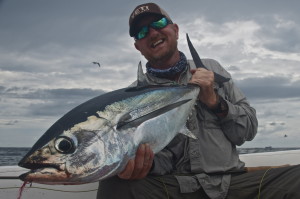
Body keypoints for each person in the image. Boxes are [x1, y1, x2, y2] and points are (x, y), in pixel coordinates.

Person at [97, 3, 300, 199]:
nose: (151, 33)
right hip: (175, 187)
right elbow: (163, 160)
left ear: (175, 30)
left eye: (158, 24)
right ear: (137, 46)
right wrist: (144, 165)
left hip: (233, 182)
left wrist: (214, 101)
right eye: (141, 32)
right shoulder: (135, 97)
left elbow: (247, 131)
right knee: (115, 185)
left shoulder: (213, 69)